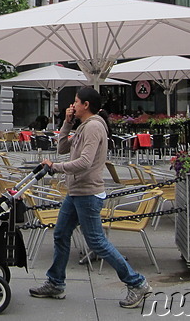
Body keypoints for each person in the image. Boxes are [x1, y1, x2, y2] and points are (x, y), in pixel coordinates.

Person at [29, 87, 152, 309]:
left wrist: (55, 168)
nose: (72, 105)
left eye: (76, 102)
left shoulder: (94, 127)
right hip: (77, 192)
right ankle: (56, 282)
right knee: (61, 234)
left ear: (86, 105)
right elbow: (62, 148)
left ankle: (136, 282)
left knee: (97, 242)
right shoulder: (84, 125)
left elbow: (84, 162)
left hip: (87, 193)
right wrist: (67, 123)